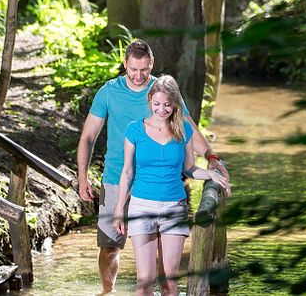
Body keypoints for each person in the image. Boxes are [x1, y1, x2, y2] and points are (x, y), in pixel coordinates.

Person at [77, 39, 229, 293]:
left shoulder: (162, 93)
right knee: (110, 246)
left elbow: (188, 127)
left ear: (152, 65)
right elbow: (88, 137)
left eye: (144, 69)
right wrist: (83, 177)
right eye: (133, 69)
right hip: (116, 178)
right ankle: (107, 290)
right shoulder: (109, 91)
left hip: (159, 184)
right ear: (125, 64)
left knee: (162, 266)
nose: (138, 75)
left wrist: (211, 158)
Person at [111, 75, 231, 295]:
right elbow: (127, 172)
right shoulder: (134, 130)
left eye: (167, 104)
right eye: (156, 104)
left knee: (170, 282)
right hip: (141, 207)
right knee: (144, 282)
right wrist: (120, 209)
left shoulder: (183, 130)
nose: (161, 109)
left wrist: (211, 175)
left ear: (175, 103)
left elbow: (189, 168)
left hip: (173, 207)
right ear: (150, 101)